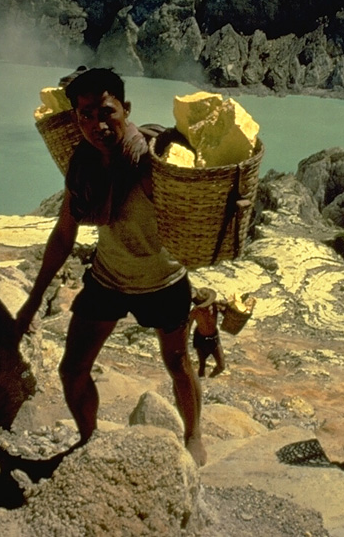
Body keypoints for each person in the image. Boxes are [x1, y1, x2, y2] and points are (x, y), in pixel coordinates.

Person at [15, 66, 206, 466]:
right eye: (84, 115)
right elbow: (64, 236)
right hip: (109, 278)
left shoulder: (152, 160)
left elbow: (192, 215)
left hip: (164, 279)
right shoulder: (83, 166)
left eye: (105, 111)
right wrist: (33, 302)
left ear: (125, 108)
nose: (96, 123)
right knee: (72, 371)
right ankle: (90, 441)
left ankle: (194, 435)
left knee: (177, 363)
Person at [189, 287, 226, 377]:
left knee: (221, 366)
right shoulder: (195, 311)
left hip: (214, 338)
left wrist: (225, 307)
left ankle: (211, 376)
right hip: (201, 339)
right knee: (202, 366)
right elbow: (188, 326)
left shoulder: (215, 306)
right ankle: (202, 384)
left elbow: (228, 315)